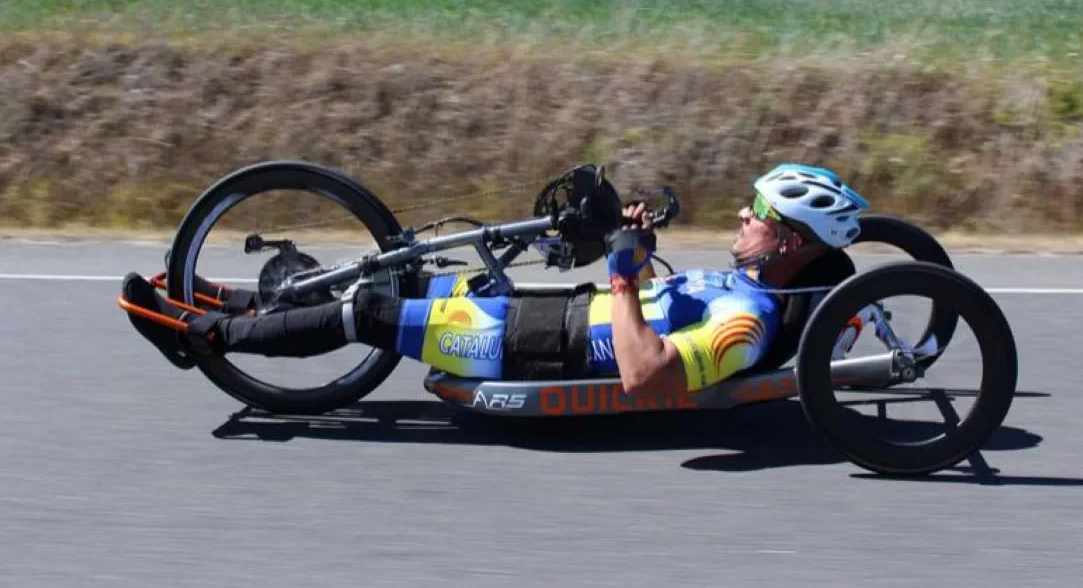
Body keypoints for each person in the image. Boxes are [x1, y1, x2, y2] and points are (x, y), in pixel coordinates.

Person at [122, 164, 869, 398]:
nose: (743, 212)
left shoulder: (751, 322)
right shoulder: (757, 280)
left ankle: (199, 335)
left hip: (539, 350)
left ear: (791, 242)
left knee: (369, 312)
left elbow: (647, 377)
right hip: (552, 317)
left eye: (760, 212)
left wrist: (620, 270)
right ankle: (224, 298)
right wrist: (632, 240)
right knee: (397, 285)